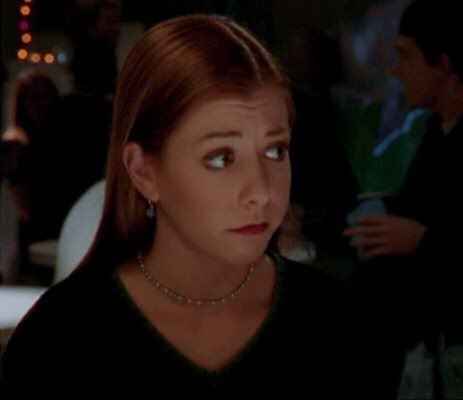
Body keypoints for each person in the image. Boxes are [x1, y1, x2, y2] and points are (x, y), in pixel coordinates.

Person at [0, 15, 398, 397]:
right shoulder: (60, 340)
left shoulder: (338, 324)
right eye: (221, 158)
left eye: (275, 150)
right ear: (143, 171)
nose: (261, 190)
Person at [344, 0, 463, 394]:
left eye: (405, 56)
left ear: (443, 64)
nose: (396, 70)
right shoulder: (434, 132)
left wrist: (423, 242)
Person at [0, 69, 60, 282]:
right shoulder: (15, 145)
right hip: (29, 238)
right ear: (21, 104)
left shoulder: (55, 142)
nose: (41, 104)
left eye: (45, 96)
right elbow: (23, 209)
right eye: (32, 99)